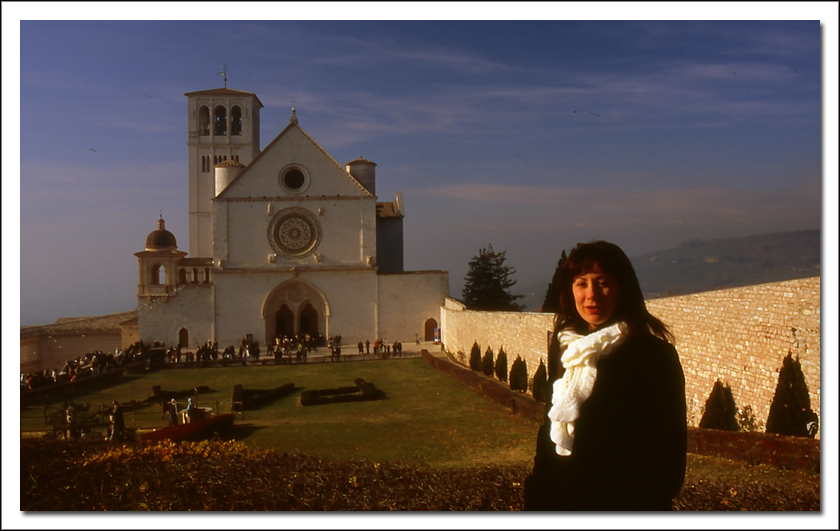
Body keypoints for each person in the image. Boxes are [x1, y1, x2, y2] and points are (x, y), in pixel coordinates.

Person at [523, 241, 686, 511]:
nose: (592, 295)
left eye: (603, 282)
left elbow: (667, 455)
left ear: (623, 288)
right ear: (569, 290)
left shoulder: (654, 356)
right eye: (581, 283)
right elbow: (550, 431)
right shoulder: (567, 350)